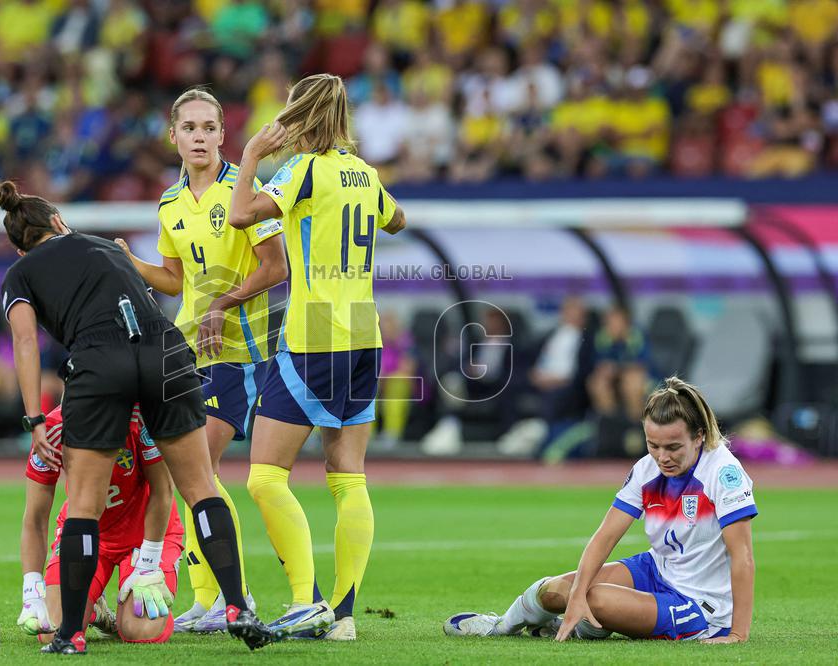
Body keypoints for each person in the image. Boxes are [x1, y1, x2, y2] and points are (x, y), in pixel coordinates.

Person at [0, 180, 278, 654]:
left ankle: (71, 634)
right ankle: (237, 607)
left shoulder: (20, 274)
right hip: (165, 351)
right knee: (202, 488)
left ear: (19, 248)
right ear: (59, 222)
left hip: (99, 360)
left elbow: (25, 341)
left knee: (84, 504)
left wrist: (35, 418)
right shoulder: (106, 247)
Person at [229, 73, 407, 641]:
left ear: (297, 117)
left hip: (314, 336)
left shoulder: (303, 169)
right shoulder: (364, 173)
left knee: (264, 476)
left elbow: (240, 214)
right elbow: (398, 219)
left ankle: (305, 602)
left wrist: (252, 154)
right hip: (364, 334)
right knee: (348, 476)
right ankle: (344, 615)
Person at [116, 87, 288, 633]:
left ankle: (235, 598)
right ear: (173, 136)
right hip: (188, 349)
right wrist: (131, 262)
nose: (199, 137)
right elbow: (174, 279)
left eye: (208, 127)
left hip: (239, 350)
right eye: (189, 128)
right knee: (191, 473)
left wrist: (222, 304)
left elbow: (276, 267)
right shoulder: (169, 204)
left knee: (197, 471)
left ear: (222, 134)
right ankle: (209, 597)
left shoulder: (245, 190)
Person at [444, 377, 757, 644]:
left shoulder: (723, 473)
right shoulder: (646, 469)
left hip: (700, 604)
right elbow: (605, 536)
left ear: (699, 436)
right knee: (556, 591)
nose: (662, 457)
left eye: (673, 447)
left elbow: (742, 556)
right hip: (656, 570)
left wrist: (738, 633)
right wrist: (576, 594)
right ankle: (501, 626)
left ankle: (578, 626)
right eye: (653, 445)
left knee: (596, 599)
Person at [18, 404, 183, 644]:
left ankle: (135, 601)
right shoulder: (52, 429)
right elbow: (35, 517)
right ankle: (95, 608)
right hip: (84, 533)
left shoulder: (141, 418)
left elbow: (163, 490)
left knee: (139, 630)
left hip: (147, 535)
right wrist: (31, 588)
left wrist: (149, 562)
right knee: (53, 631)